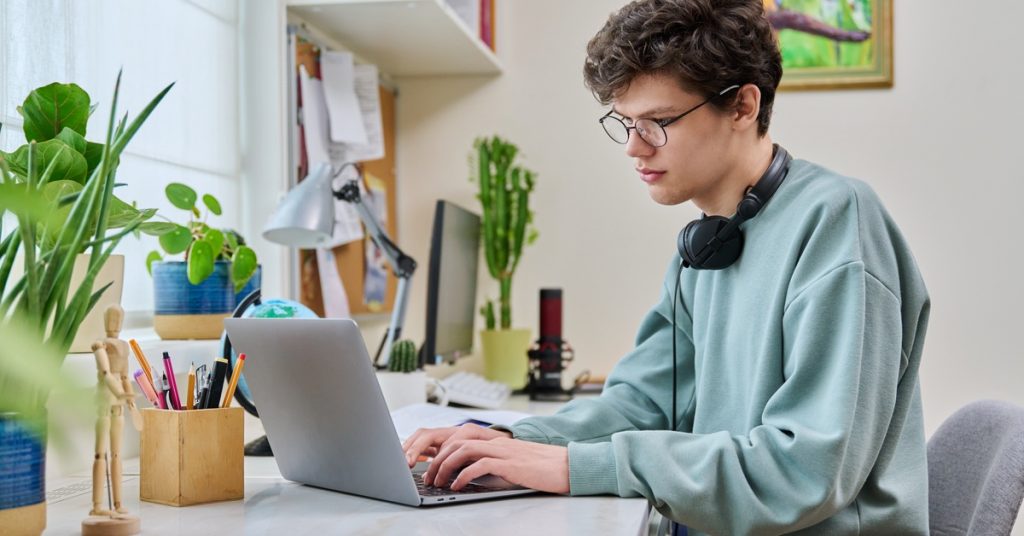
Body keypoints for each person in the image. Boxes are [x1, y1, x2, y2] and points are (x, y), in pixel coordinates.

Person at [402, 1, 930, 533]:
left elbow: (802, 471)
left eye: (657, 123)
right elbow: (644, 402)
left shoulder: (838, 223)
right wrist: (515, 444)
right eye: (626, 123)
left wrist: (575, 466)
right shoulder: (709, 241)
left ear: (743, 105)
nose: (634, 147)